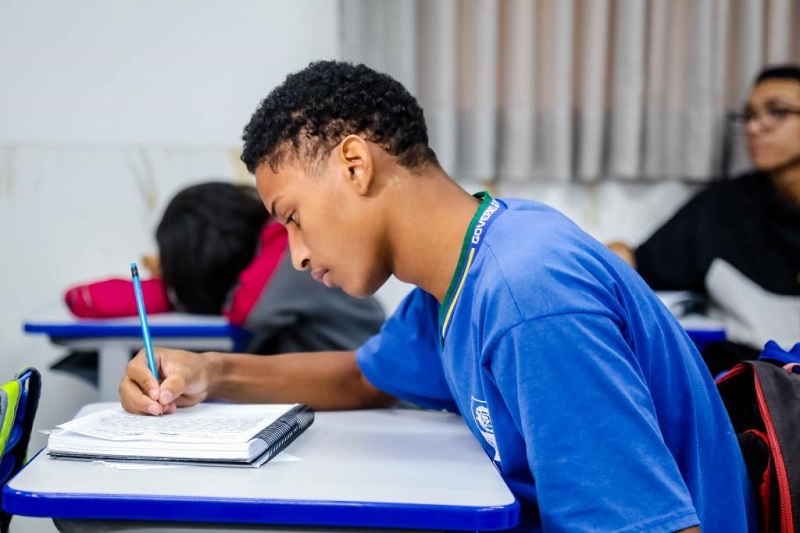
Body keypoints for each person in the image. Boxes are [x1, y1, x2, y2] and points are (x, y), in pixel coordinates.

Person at [120, 61, 753, 531]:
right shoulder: (459, 272)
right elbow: (363, 378)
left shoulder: (529, 294)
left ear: (354, 165)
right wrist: (209, 371)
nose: (299, 254)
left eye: (293, 217)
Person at [608, 64, 800, 376]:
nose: (754, 127)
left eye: (776, 111)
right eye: (749, 115)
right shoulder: (723, 207)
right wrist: (601, 257)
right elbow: (641, 263)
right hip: (748, 382)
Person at [64, 181, 385, 356]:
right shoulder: (272, 247)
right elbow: (80, 299)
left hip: (383, 402)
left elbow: (248, 310)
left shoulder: (287, 250)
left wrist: (174, 292)